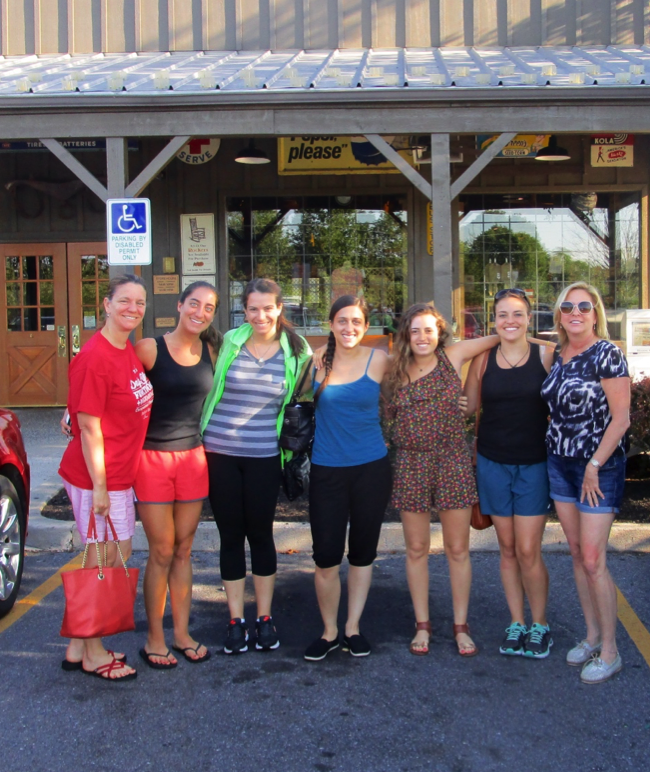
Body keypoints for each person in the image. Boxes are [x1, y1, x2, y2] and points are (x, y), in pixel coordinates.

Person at [200, 278, 312, 655]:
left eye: (268, 308)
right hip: (219, 454)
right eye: (253, 309)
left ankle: (264, 617)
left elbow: (310, 397)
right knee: (231, 537)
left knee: (261, 535)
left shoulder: (297, 351)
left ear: (280, 308)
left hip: (265, 456)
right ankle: (235, 619)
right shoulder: (227, 341)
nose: (260, 315)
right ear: (243, 311)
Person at [386, 303, 498, 657]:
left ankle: (461, 626)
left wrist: (556, 341)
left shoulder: (454, 356)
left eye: (428, 330)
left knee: (457, 549)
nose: (422, 337)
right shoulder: (394, 369)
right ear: (406, 334)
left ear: (440, 333)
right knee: (416, 550)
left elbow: (503, 335)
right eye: (415, 330)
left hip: (452, 460)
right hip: (410, 464)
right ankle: (423, 624)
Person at [58, 274, 153, 681]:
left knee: (113, 554)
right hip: (98, 476)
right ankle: (94, 652)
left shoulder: (123, 348)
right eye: (125, 301)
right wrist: (99, 487)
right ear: (107, 305)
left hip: (118, 475)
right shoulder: (97, 354)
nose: (133, 308)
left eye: (140, 302)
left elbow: (82, 405)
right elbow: (90, 427)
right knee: (104, 558)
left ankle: (78, 644)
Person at [541, 281, 631, 684]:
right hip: (559, 463)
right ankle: (593, 636)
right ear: (559, 315)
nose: (575, 312)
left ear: (596, 313)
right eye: (567, 307)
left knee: (594, 560)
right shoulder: (557, 355)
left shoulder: (608, 354)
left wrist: (595, 463)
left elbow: (622, 419)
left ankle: (611, 652)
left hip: (598, 468)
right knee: (577, 553)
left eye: (584, 306)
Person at [132, 281, 221, 669]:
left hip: (192, 459)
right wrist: (75, 413)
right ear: (180, 305)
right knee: (163, 550)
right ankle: (154, 637)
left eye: (209, 308)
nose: (200, 312)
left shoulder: (213, 351)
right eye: (195, 304)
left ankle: (182, 633)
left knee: (184, 550)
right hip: (151, 458)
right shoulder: (150, 348)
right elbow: (115, 386)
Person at [463, 289, 556, 659]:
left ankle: (541, 624)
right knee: (507, 549)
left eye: (517, 314)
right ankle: (516, 622)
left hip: (534, 464)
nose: (510, 321)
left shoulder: (546, 355)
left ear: (529, 319)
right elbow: (468, 407)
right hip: (492, 463)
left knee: (529, 549)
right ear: (494, 320)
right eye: (502, 315)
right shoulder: (484, 359)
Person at [303, 295, 392, 662]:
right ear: (331, 323)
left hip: (371, 468)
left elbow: (404, 396)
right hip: (327, 469)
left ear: (366, 326)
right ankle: (329, 631)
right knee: (325, 557)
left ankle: (352, 627)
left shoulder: (380, 360)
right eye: (342, 320)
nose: (349, 328)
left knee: (362, 554)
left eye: (356, 321)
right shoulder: (315, 363)